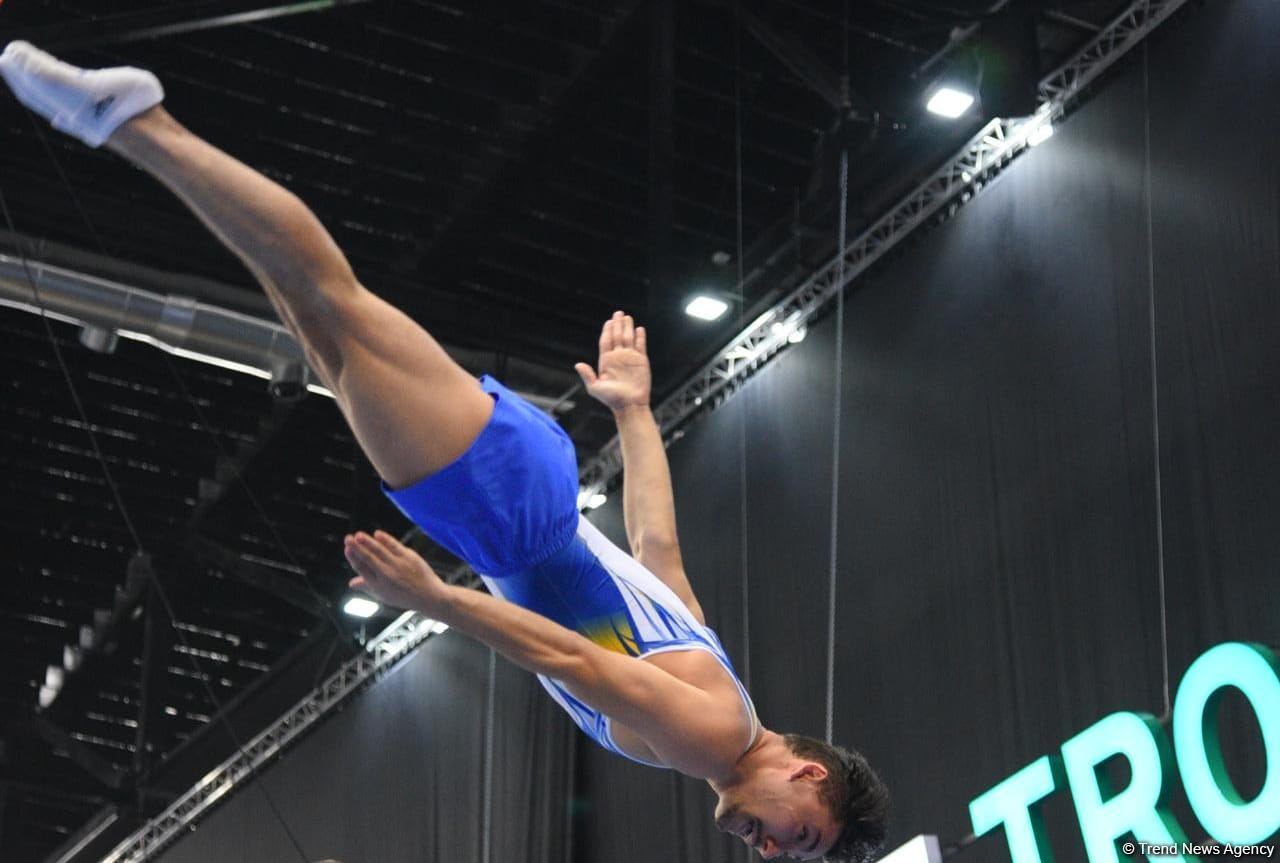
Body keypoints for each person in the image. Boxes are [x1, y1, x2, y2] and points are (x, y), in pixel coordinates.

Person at [0, 42, 888, 862]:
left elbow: (659, 550)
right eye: (800, 836)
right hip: (505, 514)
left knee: (311, 307)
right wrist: (435, 601)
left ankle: (135, 130)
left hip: (516, 500)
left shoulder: (717, 694)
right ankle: (135, 122)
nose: (770, 850)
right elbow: (571, 659)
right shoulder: (713, 737)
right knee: (327, 296)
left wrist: (634, 413)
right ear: (808, 773)